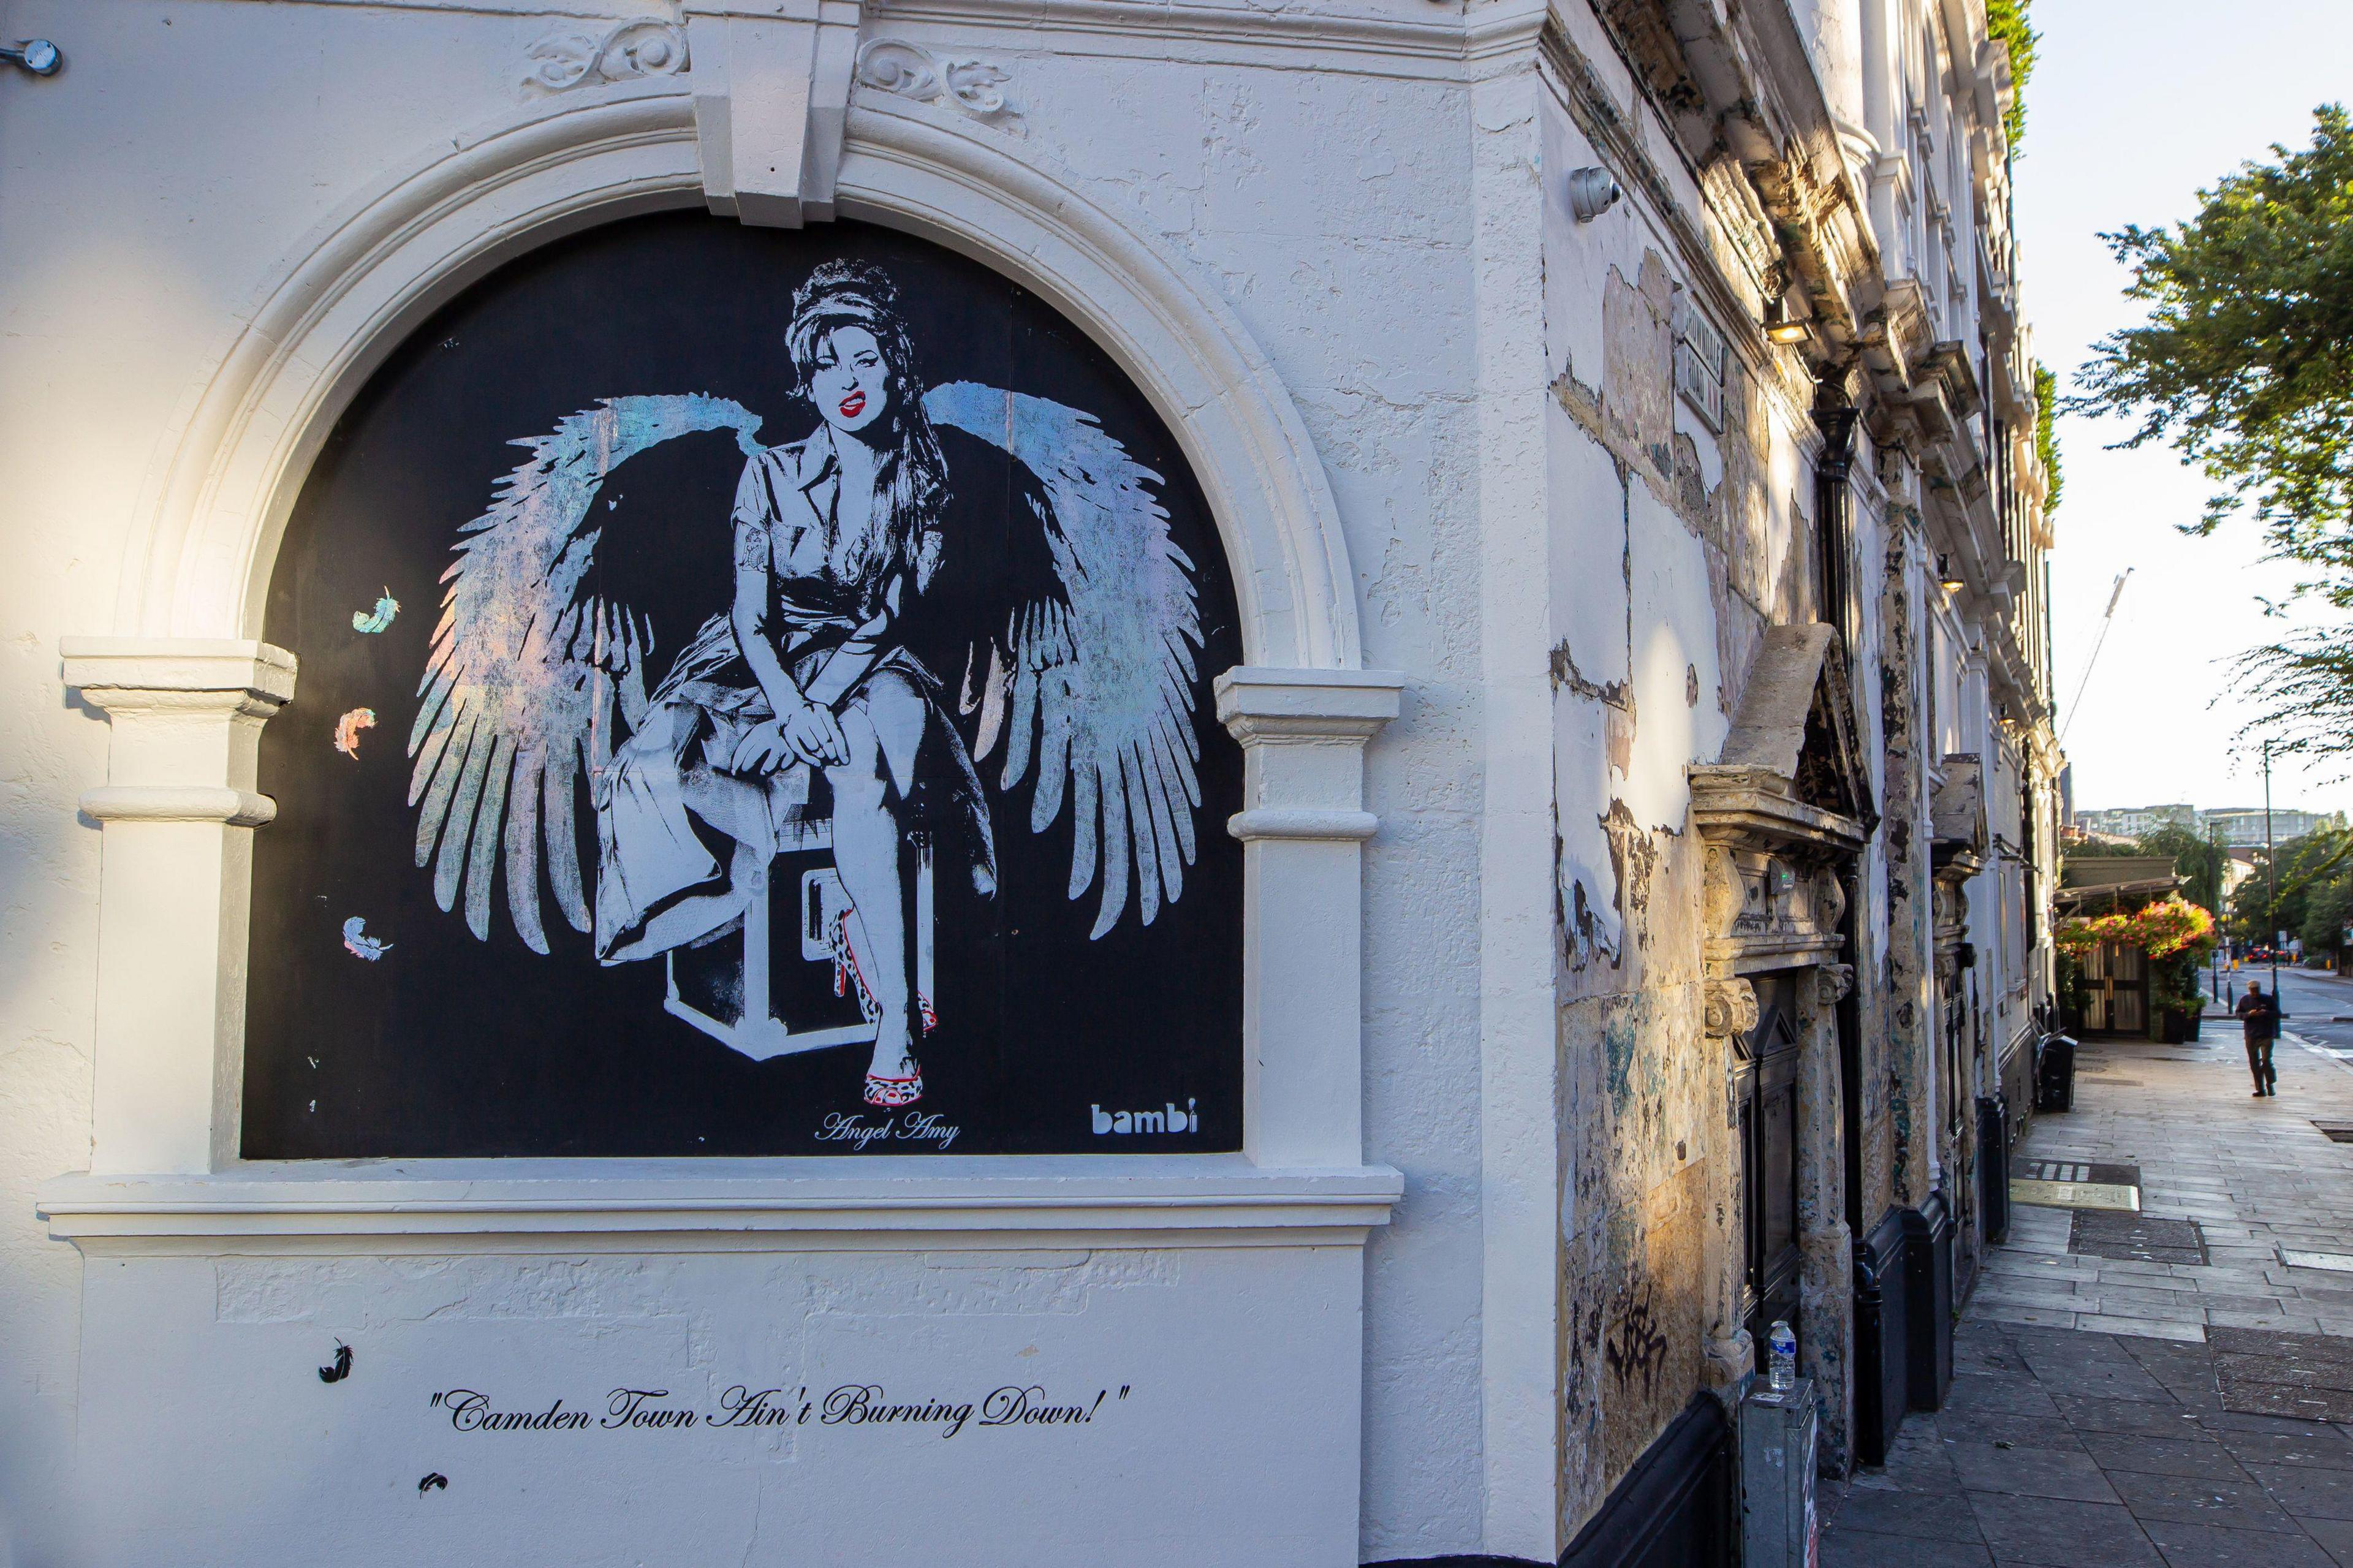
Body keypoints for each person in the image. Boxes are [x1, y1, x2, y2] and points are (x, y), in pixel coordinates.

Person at [597, 260, 993, 1108]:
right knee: (661, 759)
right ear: (806, 379)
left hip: (870, 661)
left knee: (859, 763)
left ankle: (891, 1022)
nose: (846, 383)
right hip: (765, 662)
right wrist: (788, 705)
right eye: (826, 364)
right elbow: (750, 616)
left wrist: (818, 712)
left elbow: (884, 620)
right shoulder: (768, 471)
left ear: (893, 366)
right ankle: (785, 878)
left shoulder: (917, 479)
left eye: (863, 360)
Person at [2235, 979, 2281, 1097]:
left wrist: (2266, 1013)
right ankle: (2260, 1089)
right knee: (2254, 1063)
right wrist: (2249, 1015)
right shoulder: (2245, 1000)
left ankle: (2270, 1084)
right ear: (2249, 990)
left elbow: (2278, 1014)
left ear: (2259, 989)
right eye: (2252, 991)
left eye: (2256, 990)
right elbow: (2239, 1014)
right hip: (2251, 1035)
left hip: (2266, 1034)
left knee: (2266, 1060)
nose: (2255, 993)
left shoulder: (2268, 999)